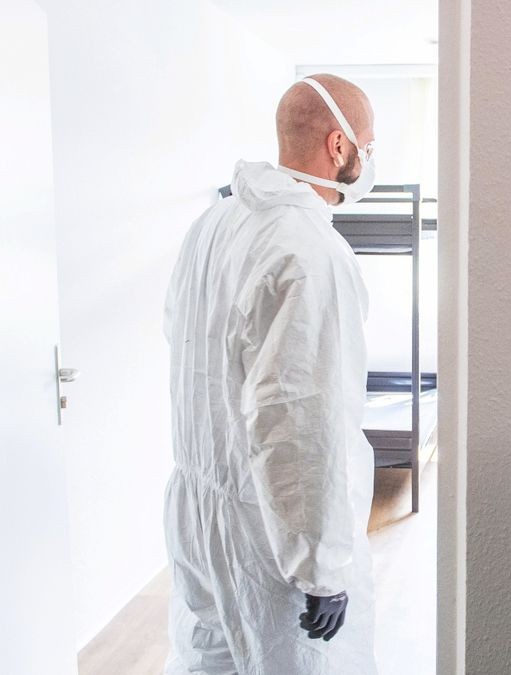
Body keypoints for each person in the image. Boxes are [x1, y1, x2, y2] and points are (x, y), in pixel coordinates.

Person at [162, 73, 379, 674]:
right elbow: (300, 417)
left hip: (199, 513)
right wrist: (322, 566)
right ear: (339, 148)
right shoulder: (308, 250)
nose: (368, 157)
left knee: (211, 663)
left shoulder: (214, 226)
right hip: (269, 537)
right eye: (367, 143)